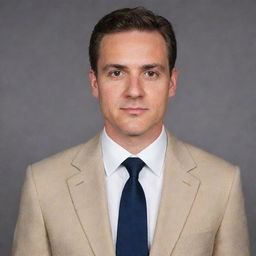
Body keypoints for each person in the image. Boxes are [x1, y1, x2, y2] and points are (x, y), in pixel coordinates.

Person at [11, 7, 250, 256]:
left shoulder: (222, 183)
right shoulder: (43, 184)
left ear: (172, 82)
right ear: (95, 83)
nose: (134, 91)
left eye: (150, 73)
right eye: (116, 73)